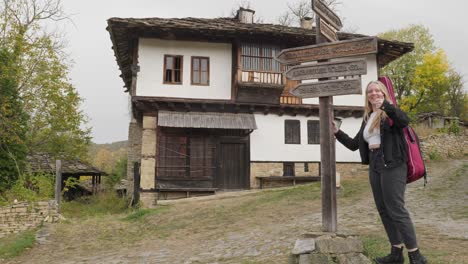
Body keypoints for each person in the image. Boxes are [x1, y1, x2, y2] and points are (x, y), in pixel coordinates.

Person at [332, 80, 428, 264]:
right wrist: (337, 133)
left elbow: (403, 121)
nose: (374, 93)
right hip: (375, 164)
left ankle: (416, 256)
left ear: (384, 93)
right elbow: (355, 144)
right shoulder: (368, 117)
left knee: (397, 209)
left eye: (377, 91)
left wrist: (385, 105)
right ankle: (396, 253)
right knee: (383, 210)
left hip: (393, 164)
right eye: (370, 91)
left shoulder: (390, 113)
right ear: (367, 97)